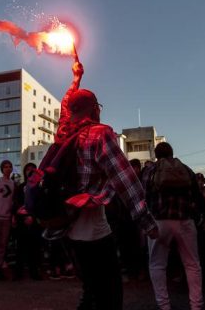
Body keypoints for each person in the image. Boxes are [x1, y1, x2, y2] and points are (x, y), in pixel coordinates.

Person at [53, 59, 158, 310]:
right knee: (109, 297)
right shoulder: (99, 134)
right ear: (95, 110)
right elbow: (126, 180)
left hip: (68, 229)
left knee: (90, 291)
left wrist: (76, 78)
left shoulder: (64, 132)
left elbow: (67, 104)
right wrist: (147, 222)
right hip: (94, 231)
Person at [143, 142, 205, 310]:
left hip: (159, 222)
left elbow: (145, 197)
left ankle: (164, 306)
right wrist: (203, 216)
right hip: (185, 221)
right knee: (192, 264)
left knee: (157, 264)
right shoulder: (185, 169)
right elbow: (197, 196)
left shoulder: (150, 170)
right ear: (172, 153)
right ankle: (196, 305)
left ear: (156, 155)